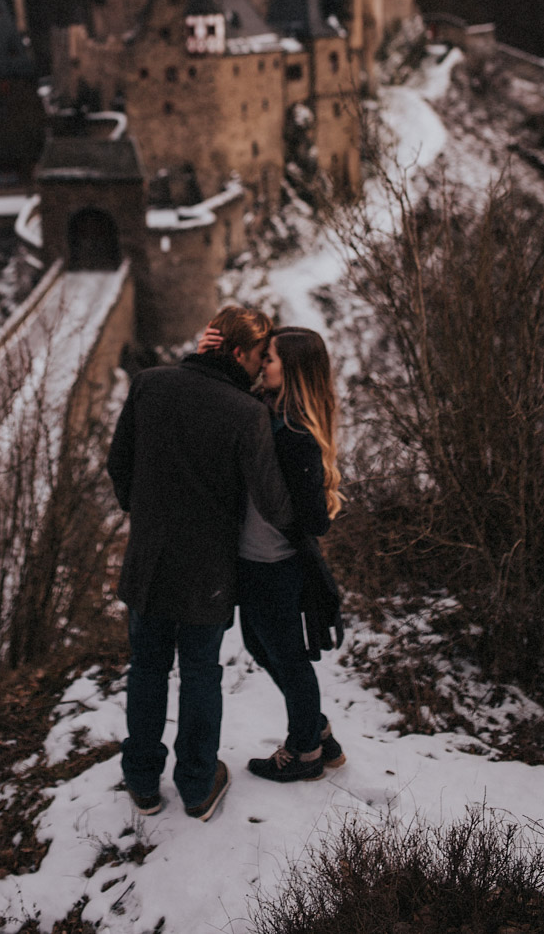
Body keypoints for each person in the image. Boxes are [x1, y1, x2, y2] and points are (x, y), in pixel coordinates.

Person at [106, 306, 294, 821]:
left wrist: (143, 513)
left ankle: (142, 781)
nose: (261, 367)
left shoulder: (149, 384)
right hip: (208, 572)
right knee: (199, 676)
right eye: (258, 356)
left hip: (149, 560)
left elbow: (117, 463)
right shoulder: (245, 412)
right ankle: (195, 785)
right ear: (237, 353)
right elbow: (272, 502)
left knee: (146, 669)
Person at [198, 322, 346, 783]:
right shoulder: (269, 410)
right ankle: (317, 731)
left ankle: (304, 751)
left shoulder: (294, 431)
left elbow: (314, 518)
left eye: (271, 358)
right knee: (265, 647)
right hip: (256, 558)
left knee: (283, 655)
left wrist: (283, 518)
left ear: (294, 370)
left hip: (274, 563)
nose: (263, 364)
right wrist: (208, 354)